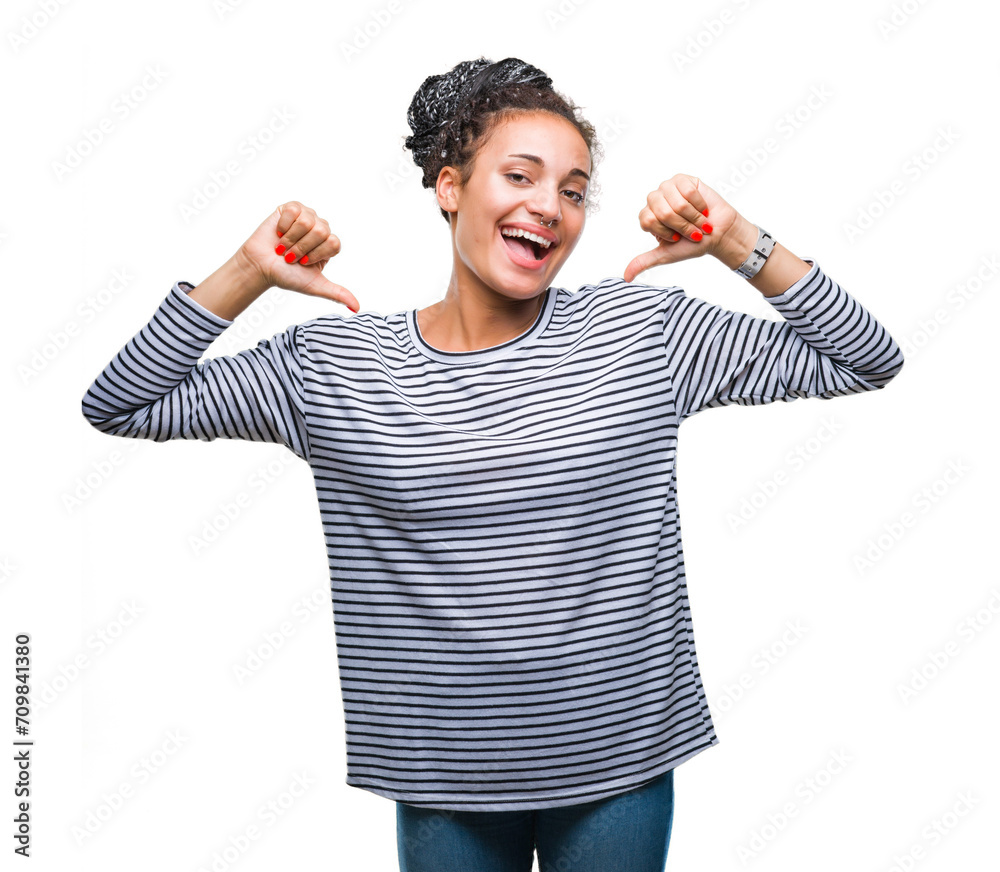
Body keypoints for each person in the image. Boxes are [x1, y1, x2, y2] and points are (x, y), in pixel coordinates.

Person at [80, 56, 904, 872]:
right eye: (522, 176)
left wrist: (736, 242)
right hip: (442, 777)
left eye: (574, 191)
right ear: (450, 188)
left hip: (618, 760)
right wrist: (248, 274)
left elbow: (865, 357)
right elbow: (121, 403)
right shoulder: (334, 368)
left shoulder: (641, 335)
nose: (550, 207)